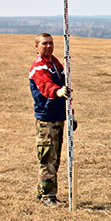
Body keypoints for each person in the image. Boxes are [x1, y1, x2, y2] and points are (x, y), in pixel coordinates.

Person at [28, 32, 75, 206]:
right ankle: (48, 196)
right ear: (37, 47)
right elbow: (45, 86)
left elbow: (67, 91)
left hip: (59, 116)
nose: (48, 46)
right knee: (47, 157)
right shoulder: (39, 67)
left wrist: (71, 114)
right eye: (44, 43)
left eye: (50, 43)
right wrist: (57, 91)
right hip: (46, 117)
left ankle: (45, 192)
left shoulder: (56, 64)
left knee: (55, 157)